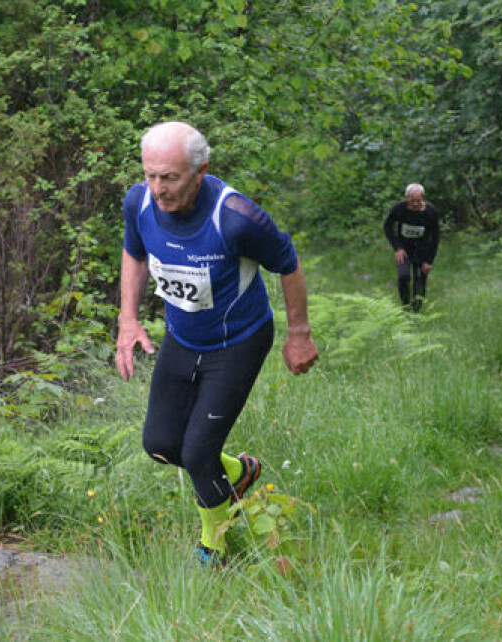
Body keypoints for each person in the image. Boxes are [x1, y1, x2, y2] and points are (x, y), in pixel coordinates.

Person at [115, 121, 319, 566]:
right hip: (183, 338)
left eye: (170, 178)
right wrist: (127, 319)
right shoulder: (139, 202)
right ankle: (240, 473)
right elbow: (135, 252)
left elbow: (288, 263)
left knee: (197, 453)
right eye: (150, 175)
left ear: (201, 170)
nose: (158, 189)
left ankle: (215, 548)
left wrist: (299, 334)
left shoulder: (237, 218)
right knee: (161, 444)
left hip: (238, 343)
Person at [383, 183, 440, 312]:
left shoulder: (431, 211)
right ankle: (405, 306)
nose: (415, 204)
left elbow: (435, 237)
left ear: (423, 198)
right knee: (403, 276)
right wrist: (397, 247)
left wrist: (429, 261)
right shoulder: (399, 208)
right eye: (412, 200)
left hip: (422, 250)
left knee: (419, 283)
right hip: (404, 249)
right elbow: (388, 227)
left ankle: (416, 311)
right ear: (406, 197)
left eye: (418, 201)